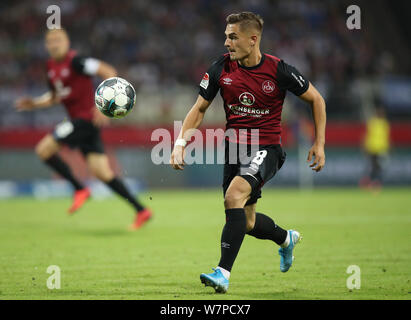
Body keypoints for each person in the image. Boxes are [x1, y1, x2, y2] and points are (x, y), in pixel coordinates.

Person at [170, 12, 326, 293]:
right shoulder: (220, 68)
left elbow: (316, 99)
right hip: (234, 150)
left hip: (267, 148)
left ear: (252, 39)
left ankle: (222, 273)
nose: (227, 42)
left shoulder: (278, 70)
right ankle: (285, 239)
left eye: (233, 37)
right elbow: (200, 108)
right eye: (226, 36)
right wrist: (180, 143)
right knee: (248, 221)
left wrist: (319, 143)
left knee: (233, 196)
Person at [15, 28, 152, 230]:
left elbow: (108, 71)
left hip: (84, 120)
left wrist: (103, 108)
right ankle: (141, 210)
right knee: (102, 173)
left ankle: (79, 189)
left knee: (43, 150)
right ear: (46, 46)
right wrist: (34, 104)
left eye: (58, 39)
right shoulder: (50, 66)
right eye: (51, 41)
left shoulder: (77, 61)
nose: (55, 44)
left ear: (67, 42)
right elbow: (55, 97)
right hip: (82, 124)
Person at [360, 103, 390, 190]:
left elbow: (386, 137)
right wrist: (364, 146)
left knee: (379, 168)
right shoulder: (372, 122)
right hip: (372, 148)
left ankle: (375, 183)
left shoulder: (385, 123)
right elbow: (366, 135)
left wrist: (388, 147)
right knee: (371, 167)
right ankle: (368, 183)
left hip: (381, 149)